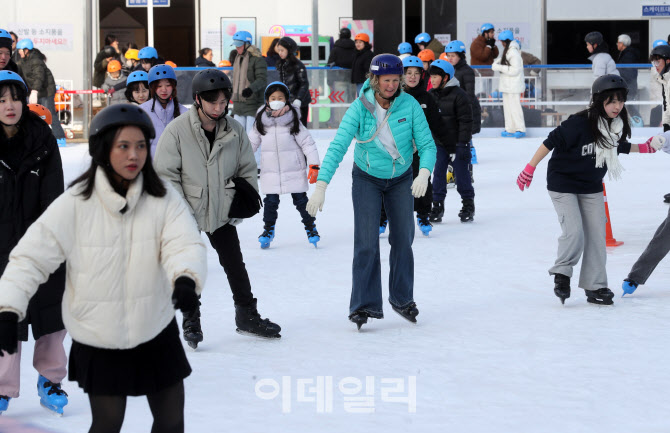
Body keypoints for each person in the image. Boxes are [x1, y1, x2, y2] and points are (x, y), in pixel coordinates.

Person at [0, 103, 207, 433]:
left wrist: (185, 278)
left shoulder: (163, 197)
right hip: (98, 334)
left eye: (140, 145)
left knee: (171, 423)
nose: (134, 155)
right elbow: (30, 258)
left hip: (154, 326)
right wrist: (8, 309)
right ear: (102, 148)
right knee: (108, 424)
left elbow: (183, 243)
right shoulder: (76, 204)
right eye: (123, 146)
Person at [306, 54, 437, 329]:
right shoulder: (359, 108)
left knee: (403, 239)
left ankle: (402, 298)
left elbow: (427, 144)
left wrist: (424, 171)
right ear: (374, 80)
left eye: (395, 80)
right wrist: (321, 185)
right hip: (367, 178)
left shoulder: (409, 104)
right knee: (366, 242)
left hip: (401, 178)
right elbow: (338, 146)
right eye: (386, 80)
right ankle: (363, 304)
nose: (391, 85)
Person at [154, 68, 281, 341]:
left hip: (221, 210)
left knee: (235, 264)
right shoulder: (176, 131)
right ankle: (191, 320)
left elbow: (247, 168)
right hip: (187, 212)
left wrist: (237, 204)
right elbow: (165, 174)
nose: (219, 107)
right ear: (198, 99)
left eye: (224, 102)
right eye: (213, 102)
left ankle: (246, 314)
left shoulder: (234, 130)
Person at [515, 74, 657, 306]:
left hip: (591, 186)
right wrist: (530, 168)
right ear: (599, 100)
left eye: (620, 101)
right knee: (574, 232)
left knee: (597, 237)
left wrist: (645, 147)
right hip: (563, 183)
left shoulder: (616, 125)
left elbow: (618, 146)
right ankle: (562, 273)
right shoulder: (579, 123)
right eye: (611, 101)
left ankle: (595, 285)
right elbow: (550, 141)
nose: (616, 106)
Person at [0, 71, 68, 416]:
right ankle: (2, 387)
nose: (9, 106)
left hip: (41, 243)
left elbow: (55, 196)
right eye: (0, 100)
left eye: (14, 98)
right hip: (0, 247)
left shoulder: (42, 139)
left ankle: (50, 379)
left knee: (50, 313)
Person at [379, 56, 451, 236]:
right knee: (388, 182)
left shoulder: (427, 98)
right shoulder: (393, 96)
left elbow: (437, 123)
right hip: (394, 149)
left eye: (416, 74)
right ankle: (383, 217)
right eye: (408, 73)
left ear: (422, 76)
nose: (412, 77)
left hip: (419, 149)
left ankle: (423, 215)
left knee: (422, 180)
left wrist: (451, 145)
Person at [248, 81, 321, 248]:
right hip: (270, 171)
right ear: (267, 100)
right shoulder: (260, 121)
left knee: (301, 201)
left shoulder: (293, 120)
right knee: (270, 203)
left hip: (293, 169)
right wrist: (239, 163)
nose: (277, 100)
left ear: (287, 100)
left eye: (280, 97)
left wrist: (314, 165)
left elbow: (308, 144)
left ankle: (311, 228)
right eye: (273, 98)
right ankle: (268, 230)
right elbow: (250, 144)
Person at [428, 60, 475, 223]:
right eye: (431, 77)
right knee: (439, 174)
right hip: (440, 144)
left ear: (445, 77)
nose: (432, 80)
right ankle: (437, 205)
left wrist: (462, 144)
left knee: (462, 175)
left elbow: (466, 121)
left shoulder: (459, 95)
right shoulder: (432, 95)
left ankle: (468, 204)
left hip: (458, 144)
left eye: (435, 77)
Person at [15, 39, 66, 146]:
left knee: (50, 113)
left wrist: (34, 91)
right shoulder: (23, 61)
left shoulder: (36, 60)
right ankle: (37, 138)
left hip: (46, 90)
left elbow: (39, 76)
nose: (19, 52)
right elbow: (18, 71)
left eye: (20, 50)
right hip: (36, 91)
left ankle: (60, 137)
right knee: (33, 115)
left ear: (26, 50)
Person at [230, 30, 267, 169]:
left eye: (239, 45)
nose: (237, 48)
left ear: (247, 44)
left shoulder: (257, 59)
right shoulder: (238, 58)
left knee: (253, 136)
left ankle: (256, 164)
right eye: (236, 45)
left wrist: (251, 89)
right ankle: (241, 163)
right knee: (239, 135)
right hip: (239, 103)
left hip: (253, 103)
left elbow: (262, 79)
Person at [139, 64, 186, 156]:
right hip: (151, 168)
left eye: (168, 85)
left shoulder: (184, 113)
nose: (164, 90)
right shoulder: (142, 112)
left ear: (173, 87)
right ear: (152, 87)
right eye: (159, 86)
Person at [491, 30, 526, 138]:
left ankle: (520, 129)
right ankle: (510, 128)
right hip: (507, 85)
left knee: (515, 108)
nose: (501, 43)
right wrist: (497, 62)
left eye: (502, 41)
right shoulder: (508, 51)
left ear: (506, 41)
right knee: (508, 108)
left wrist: (499, 67)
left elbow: (516, 70)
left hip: (513, 86)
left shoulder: (513, 52)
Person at [275, 36, 311, 127]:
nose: (280, 53)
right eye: (279, 50)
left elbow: (304, 84)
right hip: (287, 102)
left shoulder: (298, 65)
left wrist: (298, 99)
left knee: (300, 128)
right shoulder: (282, 64)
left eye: (282, 50)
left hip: (300, 103)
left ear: (289, 50)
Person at [616, 34, 639, 115]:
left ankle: (638, 121)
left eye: (618, 42)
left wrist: (617, 73)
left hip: (628, 86)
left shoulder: (628, 55)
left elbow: (629, 72)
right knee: (628, 106)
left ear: (622, 44)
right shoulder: (625, 54)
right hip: (627, 86)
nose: (617, 44)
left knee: (630, 106)